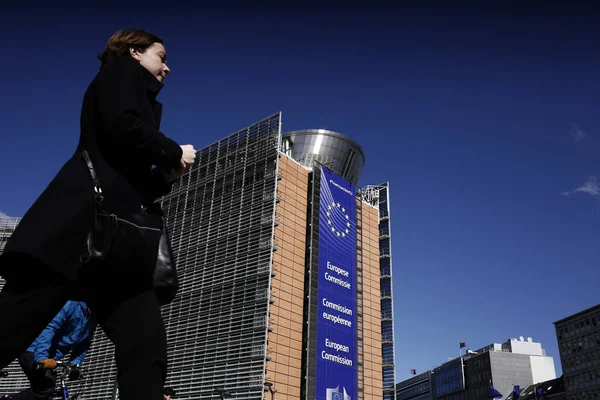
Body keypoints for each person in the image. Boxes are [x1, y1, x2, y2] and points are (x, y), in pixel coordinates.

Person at [0, 29, 197, 400]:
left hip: (116, 246)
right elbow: (123, 125)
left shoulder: (144, 102)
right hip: (76, 232)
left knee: (145, 342)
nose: (167, 68)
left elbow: (127, 179)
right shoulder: (122, 72)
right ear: (136, 52)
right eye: (161, 56)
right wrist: (172, 151)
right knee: (12, 323)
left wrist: (163, 177)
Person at [12, 301, 97, 400]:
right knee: (45, 389)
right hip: (33, 350)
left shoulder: (93, 318)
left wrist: (75, 364)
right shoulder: (71, 305)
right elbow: (49, 328)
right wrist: (41, 357)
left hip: (51, 357)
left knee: (49, 392)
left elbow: (84, 343)